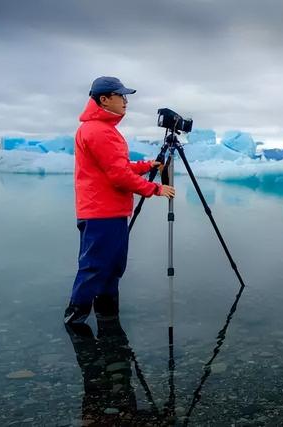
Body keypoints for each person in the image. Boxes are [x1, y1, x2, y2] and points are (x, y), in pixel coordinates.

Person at [64, 76, 175, 325]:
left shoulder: (102, 129)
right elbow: (118, 176)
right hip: (102, 212)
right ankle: (75, 321)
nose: (125, 101)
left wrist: (147, 166)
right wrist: (155, 189)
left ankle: (107, 317)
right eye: (120, 96)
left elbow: (116, 167)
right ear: (104, 99)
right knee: (94, 267)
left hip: (106, 211)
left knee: (111, 267)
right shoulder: (99, 131)